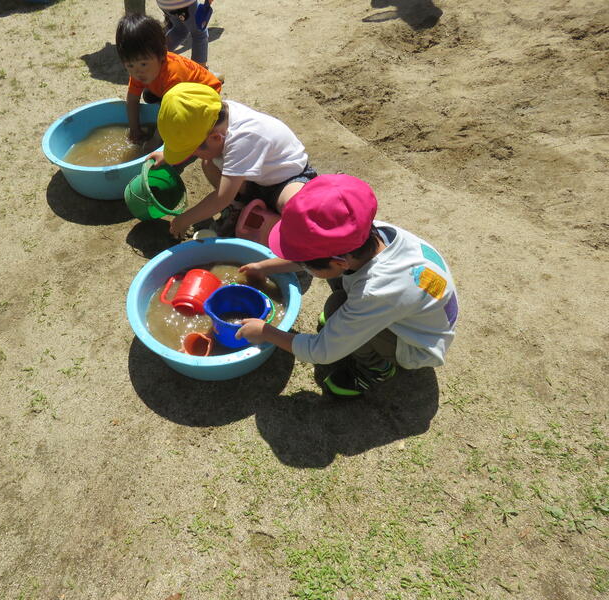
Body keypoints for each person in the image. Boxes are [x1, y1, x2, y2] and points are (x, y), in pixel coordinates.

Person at [235, 174, 459, 397]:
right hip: (412, 311)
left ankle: (376, 369)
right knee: (338, 299)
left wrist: (265, 331)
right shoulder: (365, 234)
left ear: (339, 262)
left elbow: (320, 352)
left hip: (417, 346)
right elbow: (313, 259)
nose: (302, 264)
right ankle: (353, 329)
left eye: (306, 264)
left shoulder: (376, 291)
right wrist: (263, 267)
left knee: (335, 307)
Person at [150, 82, 317, 237]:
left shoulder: (243, 138)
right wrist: (169, 155)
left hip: (287, 179)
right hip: (256, 178)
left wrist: (184, 219)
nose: (192, 155)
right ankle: (238, 205)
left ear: (215, 138)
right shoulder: (215, 114)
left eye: (192, 151)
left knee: (294, 208)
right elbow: (193, 136)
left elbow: (221, 197)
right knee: (208, 163)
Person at [115, 14, 222, 145]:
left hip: (206, 94)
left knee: (185, 123)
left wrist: (154, 142)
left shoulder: (173, 75)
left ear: (161, 55)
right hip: (173, 89)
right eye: (130, 65)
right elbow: (132, 100)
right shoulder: (139, 71)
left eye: (143, 64)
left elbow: (168, 117)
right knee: (148, 95)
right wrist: (134, 129)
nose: (137, 71)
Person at [156, 0, 214, 66]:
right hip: (184, 4)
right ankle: (199, 70)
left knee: (180, 30)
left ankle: (155, 56)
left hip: (164, 4)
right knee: (199, 34)